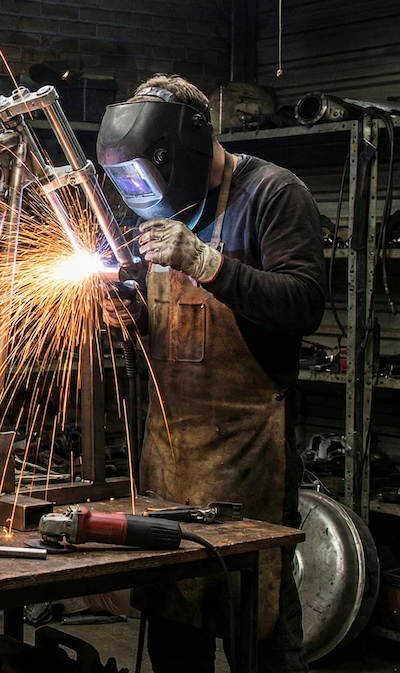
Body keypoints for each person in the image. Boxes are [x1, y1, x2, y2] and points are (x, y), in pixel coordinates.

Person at [96, 74, 325, 673]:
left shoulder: (275, 194)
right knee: (174, 635)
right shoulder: (157, 204)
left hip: (246, 458)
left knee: (260, 631)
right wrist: (128, 313)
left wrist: (207, 262)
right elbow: (163, 326)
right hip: (171, 456)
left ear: (189, 148)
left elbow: (304, 304)